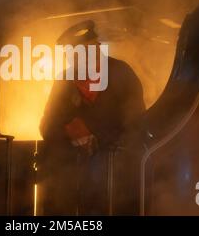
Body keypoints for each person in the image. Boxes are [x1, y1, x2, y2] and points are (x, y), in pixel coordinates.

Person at [39, 20, 146, 215]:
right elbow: (46, 125)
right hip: (69, 187)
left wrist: (93, 132)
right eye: (70, 55)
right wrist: (69, 131)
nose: (72, 60)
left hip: (114, 186)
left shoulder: (121, 74)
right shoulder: (64, 80)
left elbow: (136, 124)